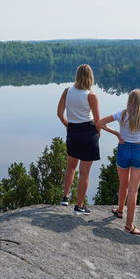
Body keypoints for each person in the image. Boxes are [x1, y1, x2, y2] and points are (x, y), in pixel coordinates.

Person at [97, 89, 140, 235]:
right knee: (133, 190)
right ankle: (129, 225)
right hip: (138, 150)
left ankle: (120, 210)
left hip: (123, 149)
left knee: (123, 184)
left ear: (129, 100)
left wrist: (117, 134)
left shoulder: (121, 114)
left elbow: (100, 123)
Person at [57, 64, 100, 215]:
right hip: (88, 132)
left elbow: (59, 113)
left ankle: (65, 197)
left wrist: (68, 125)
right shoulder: (91, 96)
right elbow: (97, 121)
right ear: (90, 77)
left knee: (71, 167)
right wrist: (98, 134)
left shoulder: (67, 91)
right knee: (85, 172)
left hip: (73, 131)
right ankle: (79, 205)